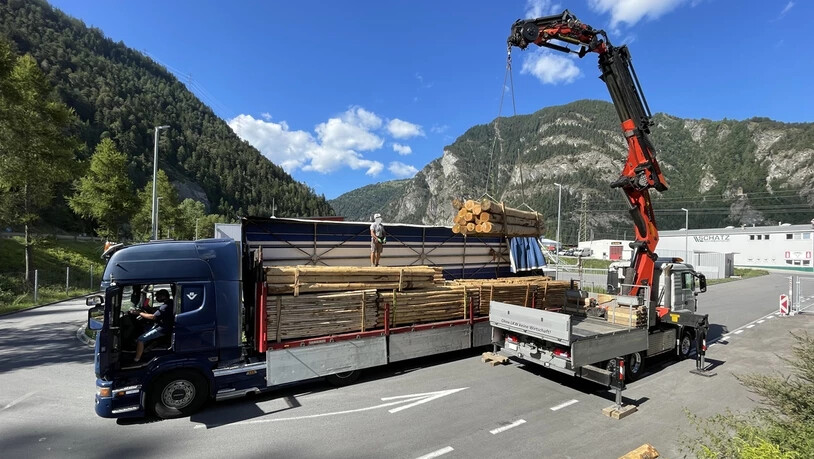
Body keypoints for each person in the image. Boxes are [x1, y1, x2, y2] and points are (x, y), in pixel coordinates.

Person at [133, 289, 174, 363]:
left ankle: (137, 359)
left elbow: (153, 317)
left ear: (163, 296)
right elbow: (157, 312)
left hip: (163, 328)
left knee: (141, 339)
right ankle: (147, 347)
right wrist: (147, 307)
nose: (156, 298)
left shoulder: (165, 306)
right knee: (145, 328)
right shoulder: (169, 302)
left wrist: (139, 313)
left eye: (158, 296)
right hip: (163, 325)